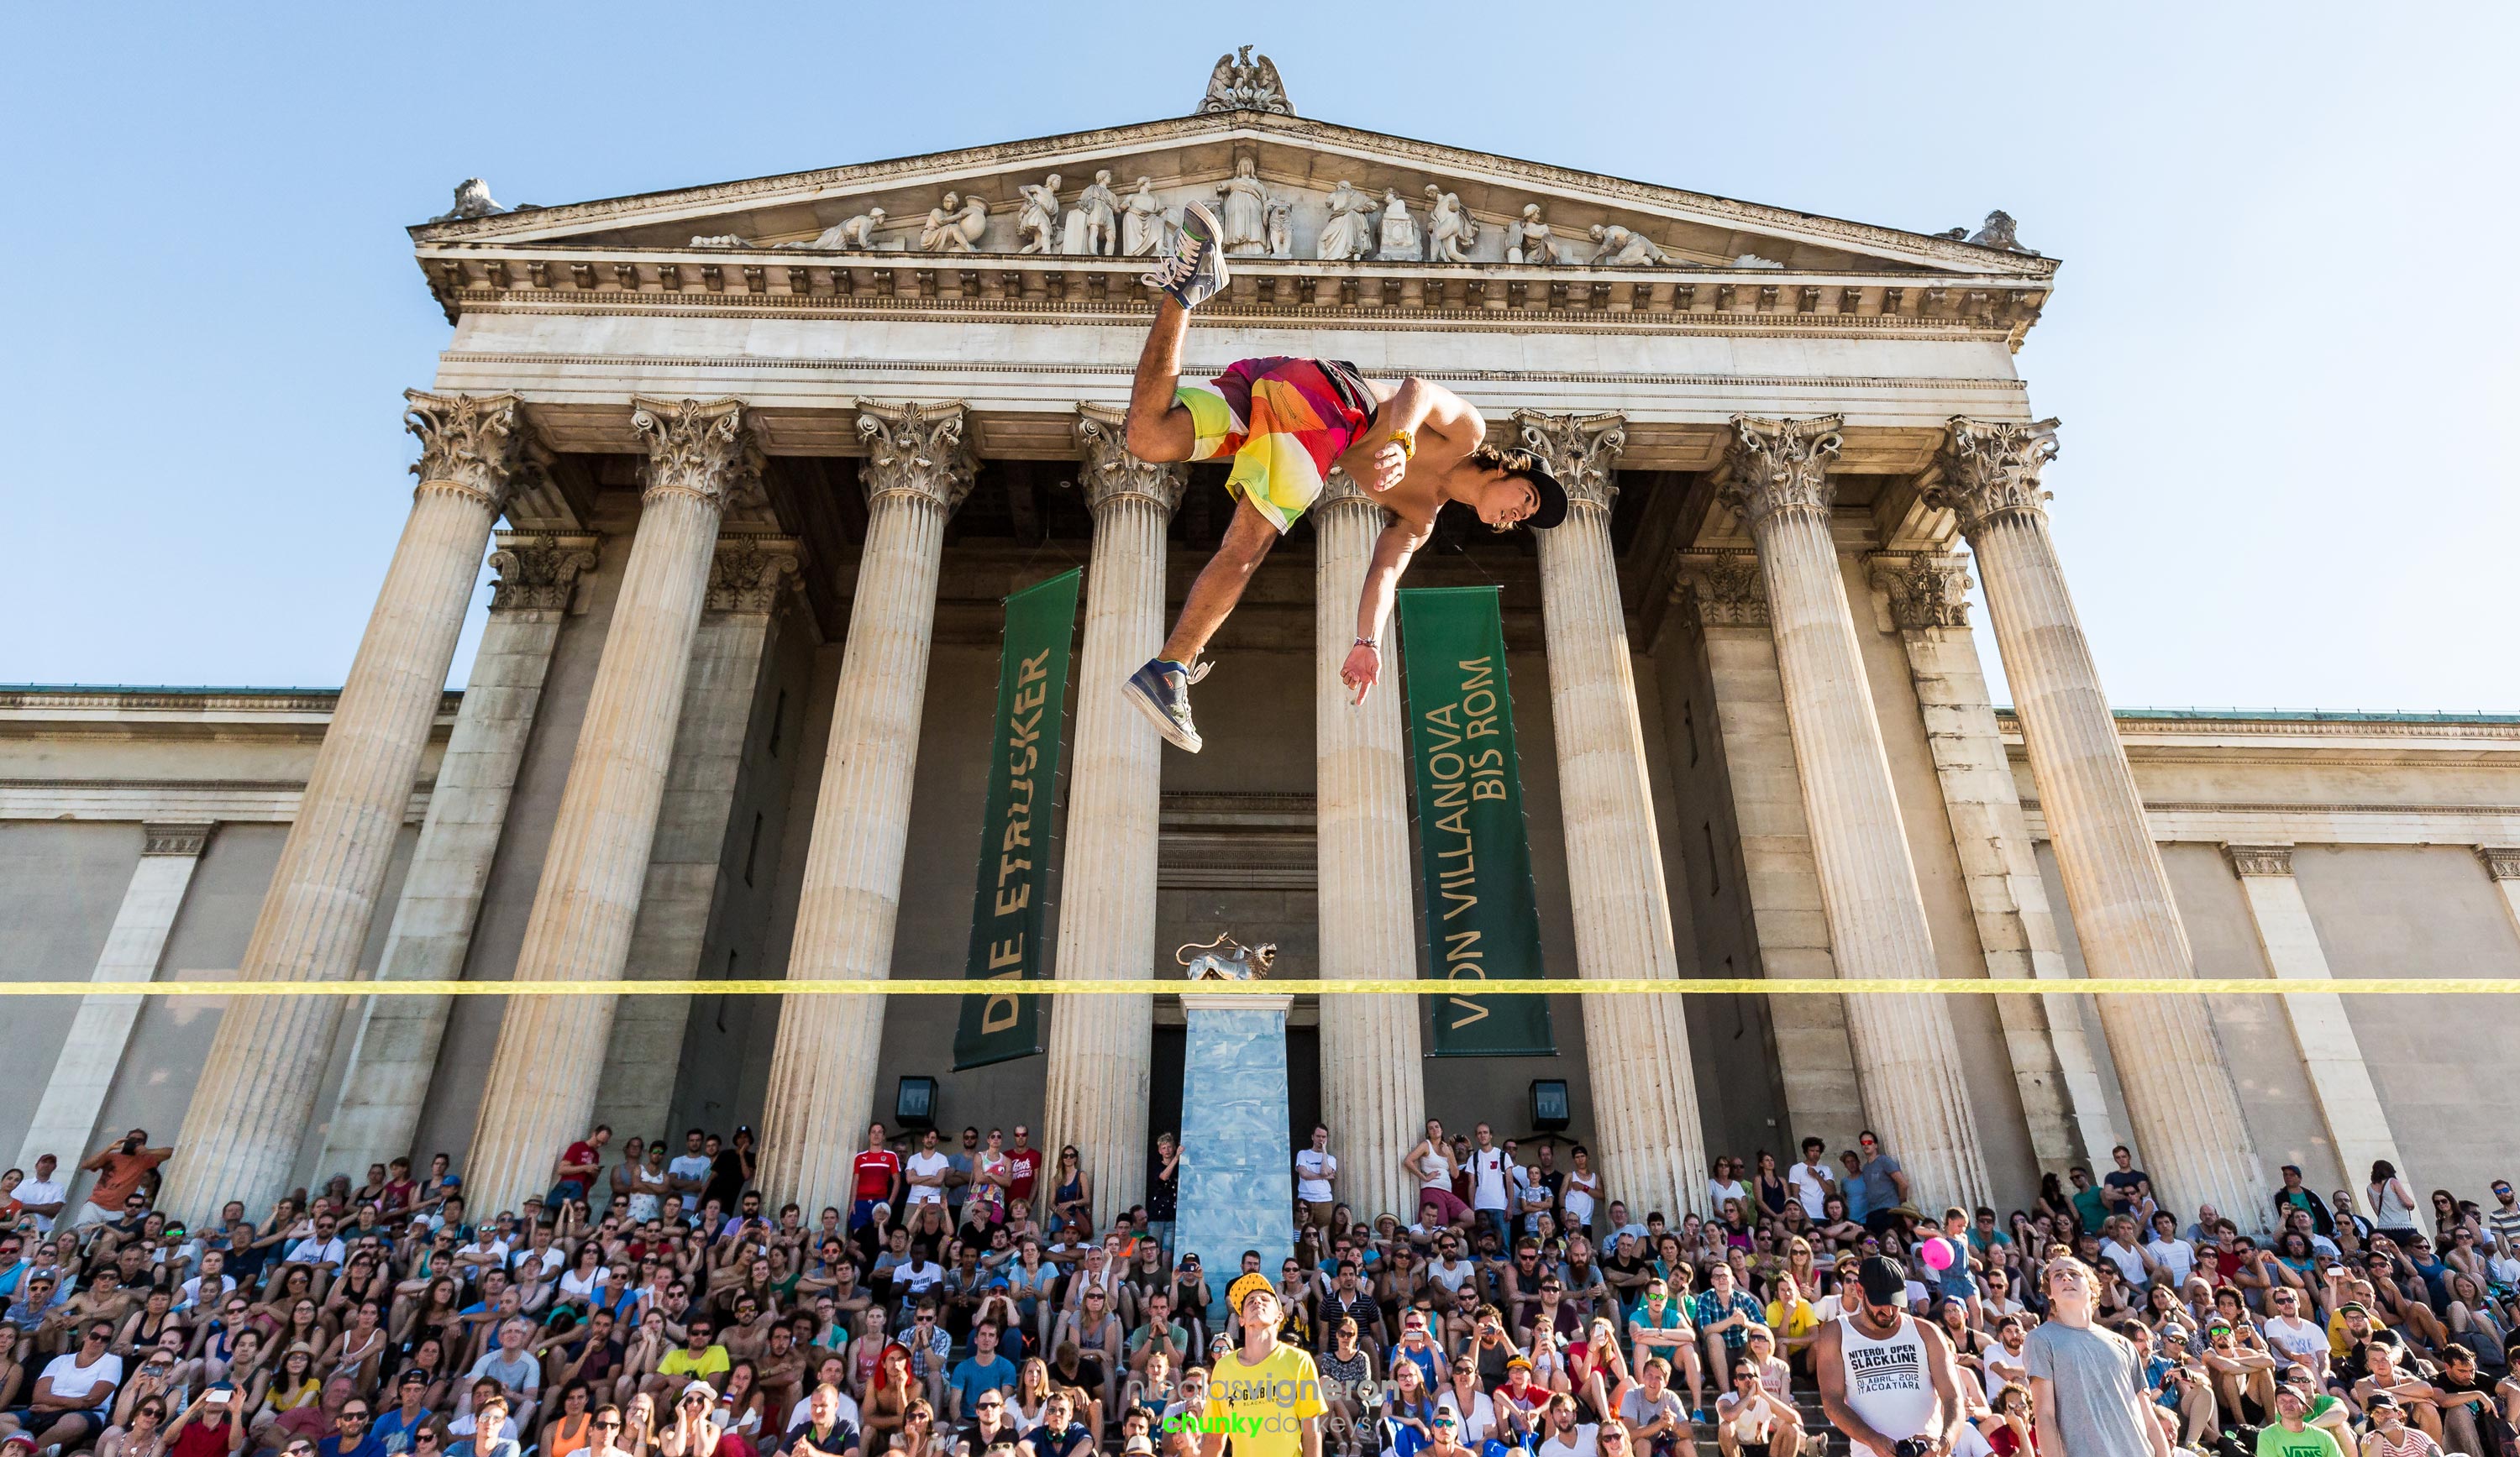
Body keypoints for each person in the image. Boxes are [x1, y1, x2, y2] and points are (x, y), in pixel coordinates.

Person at [1121, 204, 1568, 753]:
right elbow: (1417, 389)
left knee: (1149, 436)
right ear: (1507, 468)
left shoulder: (1418, 519)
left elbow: (1382, 575)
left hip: (1285, 384)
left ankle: (1185, 288)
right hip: (1328, 407)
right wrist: (1402, 441)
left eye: (1523, 519)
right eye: (1524, 499)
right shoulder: (1468, 434)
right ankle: (1171, 669)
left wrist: (1367, 642)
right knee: (1246, 547)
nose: (1517, 516)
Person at [1812, 1257, 1965, 1457]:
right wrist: (1872, 1439)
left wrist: (1945, 1442)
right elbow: (1832, 1403)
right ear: (1860, 1291)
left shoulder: (1927, 1332)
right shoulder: (1837, 1333)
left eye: (1895, 1303)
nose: (1888, 1311)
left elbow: (1953, 1398)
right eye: (1879, 1303)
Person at [2025, 1255, 2168, 1457]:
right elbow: (2044, 1415)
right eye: (2057, 1275)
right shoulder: (2040, 1339)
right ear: (2049, 1293)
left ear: (2092, 1286)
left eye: (2074, 1273)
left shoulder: (2123, 1344)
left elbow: (2149, 1419)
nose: (2066, 1278)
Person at [1198, 1274, 1323, 1457]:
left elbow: (1311, 1431)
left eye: (1265, 1299)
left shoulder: (1300, 1361)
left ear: (1279, 1316)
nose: (1257, 1301)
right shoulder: (1224, 1368)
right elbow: (1214, 1437)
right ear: (1241, 1320)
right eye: (1249, 1301)